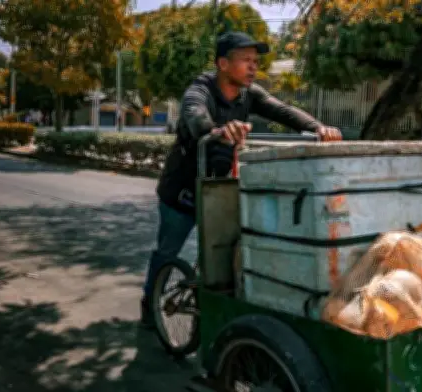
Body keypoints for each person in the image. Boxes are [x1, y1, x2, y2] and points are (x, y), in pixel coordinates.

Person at [141, 31, 342, 327]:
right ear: (223, 63)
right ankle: (150, 304)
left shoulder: (250, 94)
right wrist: (217, 130)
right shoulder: (201, 89)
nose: (253, 67)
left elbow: (282, 110)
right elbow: (194, 115)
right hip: (182, 191)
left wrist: (318, 128)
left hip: (219, 190)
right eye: (246, 60)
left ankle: (213, 312)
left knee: (223, 255)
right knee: (167, 252)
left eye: (256, 61)